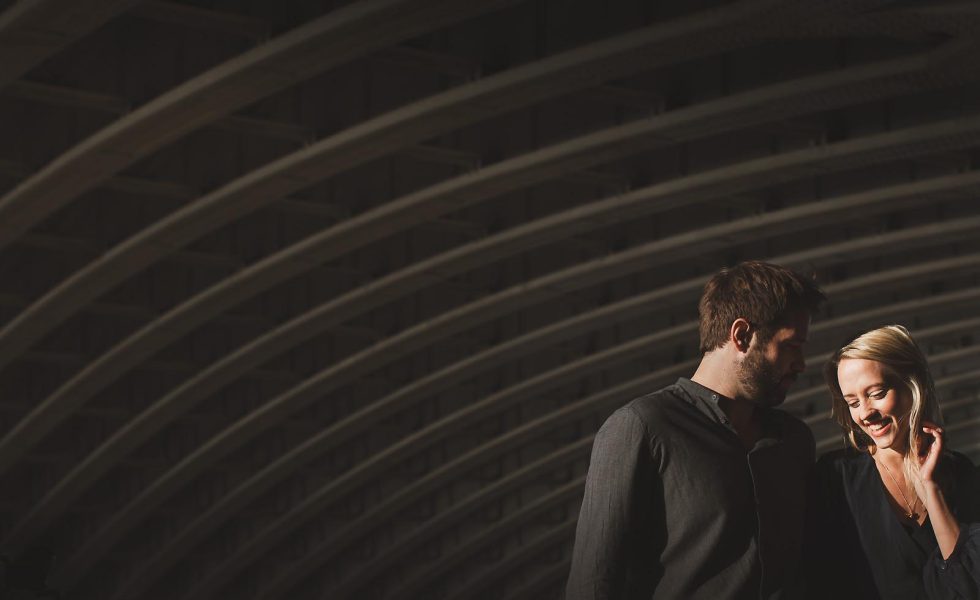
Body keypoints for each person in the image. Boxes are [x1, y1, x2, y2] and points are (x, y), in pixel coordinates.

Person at [565, 261, 825, 599]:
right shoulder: (642, 427)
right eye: (791, 345)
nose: (802, 363)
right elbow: (594, 583)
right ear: (742, 335)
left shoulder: (793, 440)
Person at [806, 325, 980, 599]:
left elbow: (969, 586)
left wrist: (930, 489)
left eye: (876, 394)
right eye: (853, 402)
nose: (865, 414)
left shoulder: (962, 474)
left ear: (913, 384)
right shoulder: (835, 479)